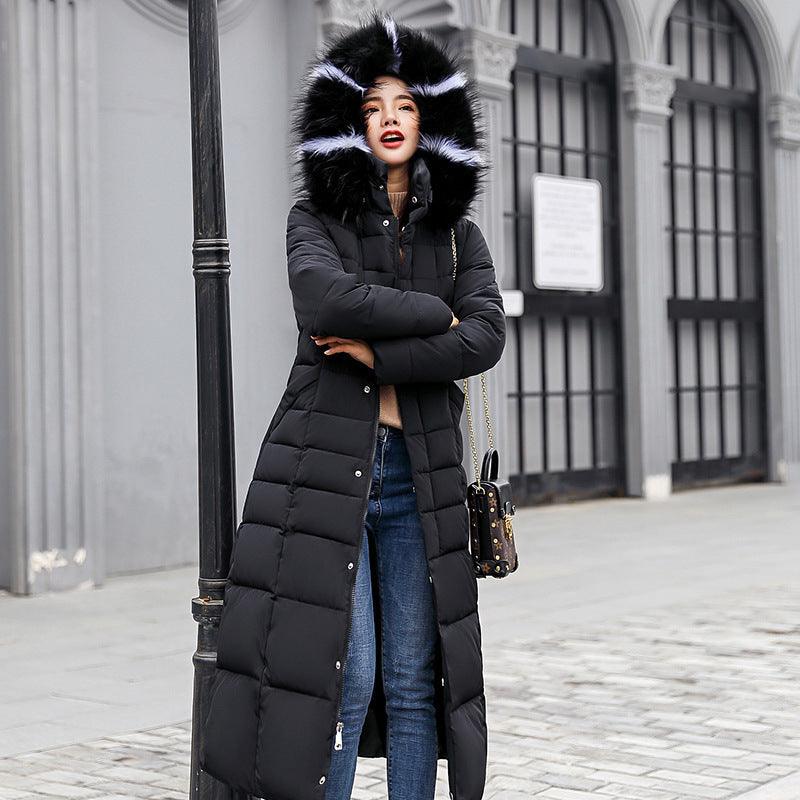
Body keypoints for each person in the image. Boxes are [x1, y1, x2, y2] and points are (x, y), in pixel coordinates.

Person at [199, 11, 506, 800]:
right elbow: (323, 299)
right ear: (350, 124)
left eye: (405, 106)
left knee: (412, 679)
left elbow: (486, 337)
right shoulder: (315, 221)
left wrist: (380, 353)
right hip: (326, 470)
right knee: (344, 676)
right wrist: (435, 316)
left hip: (418, 477)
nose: (390, 119)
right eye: (373, 107)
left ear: (430, 121)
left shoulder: (460, 238)